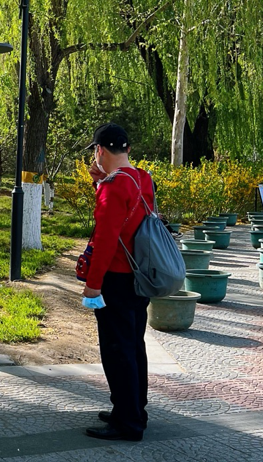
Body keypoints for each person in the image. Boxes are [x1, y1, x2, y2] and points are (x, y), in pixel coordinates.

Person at [80, 123, 154, 442]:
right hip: (139, 276)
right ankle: (134, 410)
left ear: (99, 151)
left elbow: (107, 240)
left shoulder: (112, 187)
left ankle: (127, 423)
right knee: (133, 345)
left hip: (116, 279)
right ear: (127, 149)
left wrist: (93, 284)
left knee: (116, 350)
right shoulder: (142, 178)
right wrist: (100, 183)